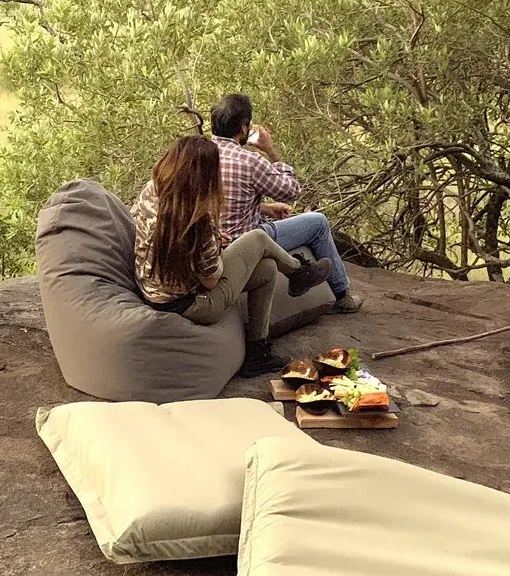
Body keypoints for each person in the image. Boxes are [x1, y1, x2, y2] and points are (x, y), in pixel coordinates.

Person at [131, 136, 333, 377]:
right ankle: (299, 272)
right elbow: (210, 281)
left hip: (153, 287)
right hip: (191, 305)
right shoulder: (199, 222)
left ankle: (258, 354)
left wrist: (212, 239)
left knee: (267, 268)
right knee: (257, 238)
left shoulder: (152, 191)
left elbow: (151, 231)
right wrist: (215, 245)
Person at [209, 94, 364, 313]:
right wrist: (270, 150)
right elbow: (291, 191)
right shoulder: (249, 161)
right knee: (318, 222)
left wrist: (264, 208)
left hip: (212, 240)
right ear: (244, 128)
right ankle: (342, 295)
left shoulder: (198, 155)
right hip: (247, 241)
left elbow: (220, 200)